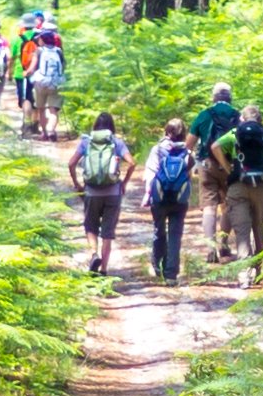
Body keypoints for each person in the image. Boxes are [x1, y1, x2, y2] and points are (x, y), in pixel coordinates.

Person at [71, 107, 130, 276]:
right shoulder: (116, 142)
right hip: (113, 193)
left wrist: (77, 184)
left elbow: (71, 163)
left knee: (91, 226)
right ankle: (103, 269)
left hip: (91, 191)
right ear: (112, 126)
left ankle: (93, 254)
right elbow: (132, 162)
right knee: (108, 233)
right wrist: (123, 183)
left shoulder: (86, 142)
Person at [225, 95, 263, 277]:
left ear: (242, 118)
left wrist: (228, 168)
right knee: (258, 226)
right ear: (259, 118)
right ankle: (258, 270)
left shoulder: (234, 134)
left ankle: (243, 274)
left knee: (242, 230)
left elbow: (215, 146)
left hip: (238, 185)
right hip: (262, 185)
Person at [144, 111, 197, 284]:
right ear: (183, 134)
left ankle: (157, 263)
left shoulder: (158, 150)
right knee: (175, 234)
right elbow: (189, 175)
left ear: (167, 132)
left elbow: (150, 174)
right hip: (179, 199)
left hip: (159, 197)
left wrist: (148, 194)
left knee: (159, 230)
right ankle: (171, 275)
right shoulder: (188, 153)